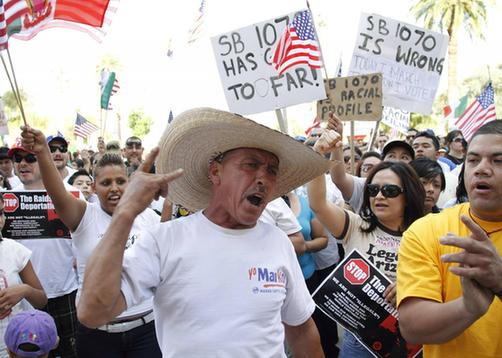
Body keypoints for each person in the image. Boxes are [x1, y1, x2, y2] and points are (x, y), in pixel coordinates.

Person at [77, 107, 327, 357]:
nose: (263, 177)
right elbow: (92, 311)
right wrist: (125, 213)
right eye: (251, 164)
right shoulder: (165, 240)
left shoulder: (278, 243)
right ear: (215, 172)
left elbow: (301, 330)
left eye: (272, 170)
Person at [20, 127, 163, 358]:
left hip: (146, 331)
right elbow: (56, 194)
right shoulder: (84, 216)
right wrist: (42, 153)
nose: (115, 188)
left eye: (120, 181)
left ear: (130, 183)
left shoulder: (149, 218)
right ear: (94, 188)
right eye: (106, 183)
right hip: (98, 335)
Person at [307, 127, 425, 358]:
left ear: (408, 194)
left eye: (390, 190)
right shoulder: (354, 226)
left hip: (409, 341)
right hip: (359, 342)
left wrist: (412, 290)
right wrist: (317, 155)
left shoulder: (426, 233)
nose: (379, 196)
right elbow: (318, 203)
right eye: (373, 189)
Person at [397, 119, 502, 358]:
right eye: (473, 160)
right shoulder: (427, 230)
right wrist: (467, 308)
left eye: (498, 160)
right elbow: (412, 327)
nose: (481, 169)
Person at [8, 140, 79, 358]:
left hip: (66, 291)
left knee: (71, 353)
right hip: (24, 299)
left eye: (30, 158)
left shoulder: (72, 194)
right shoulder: (8, 198)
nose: (23, 164)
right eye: (17, 158)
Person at [328, 113, 414, 213]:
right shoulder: (364, 186)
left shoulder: (419, 189)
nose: (397, 160)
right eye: (374, 190)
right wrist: (336, 144)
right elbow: (339, 178)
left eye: (404, 157)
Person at [0, 195, 47, 358]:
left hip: (14, 347)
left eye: (0, 213)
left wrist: (25, 290)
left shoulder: (15, 250)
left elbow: (41, 300)